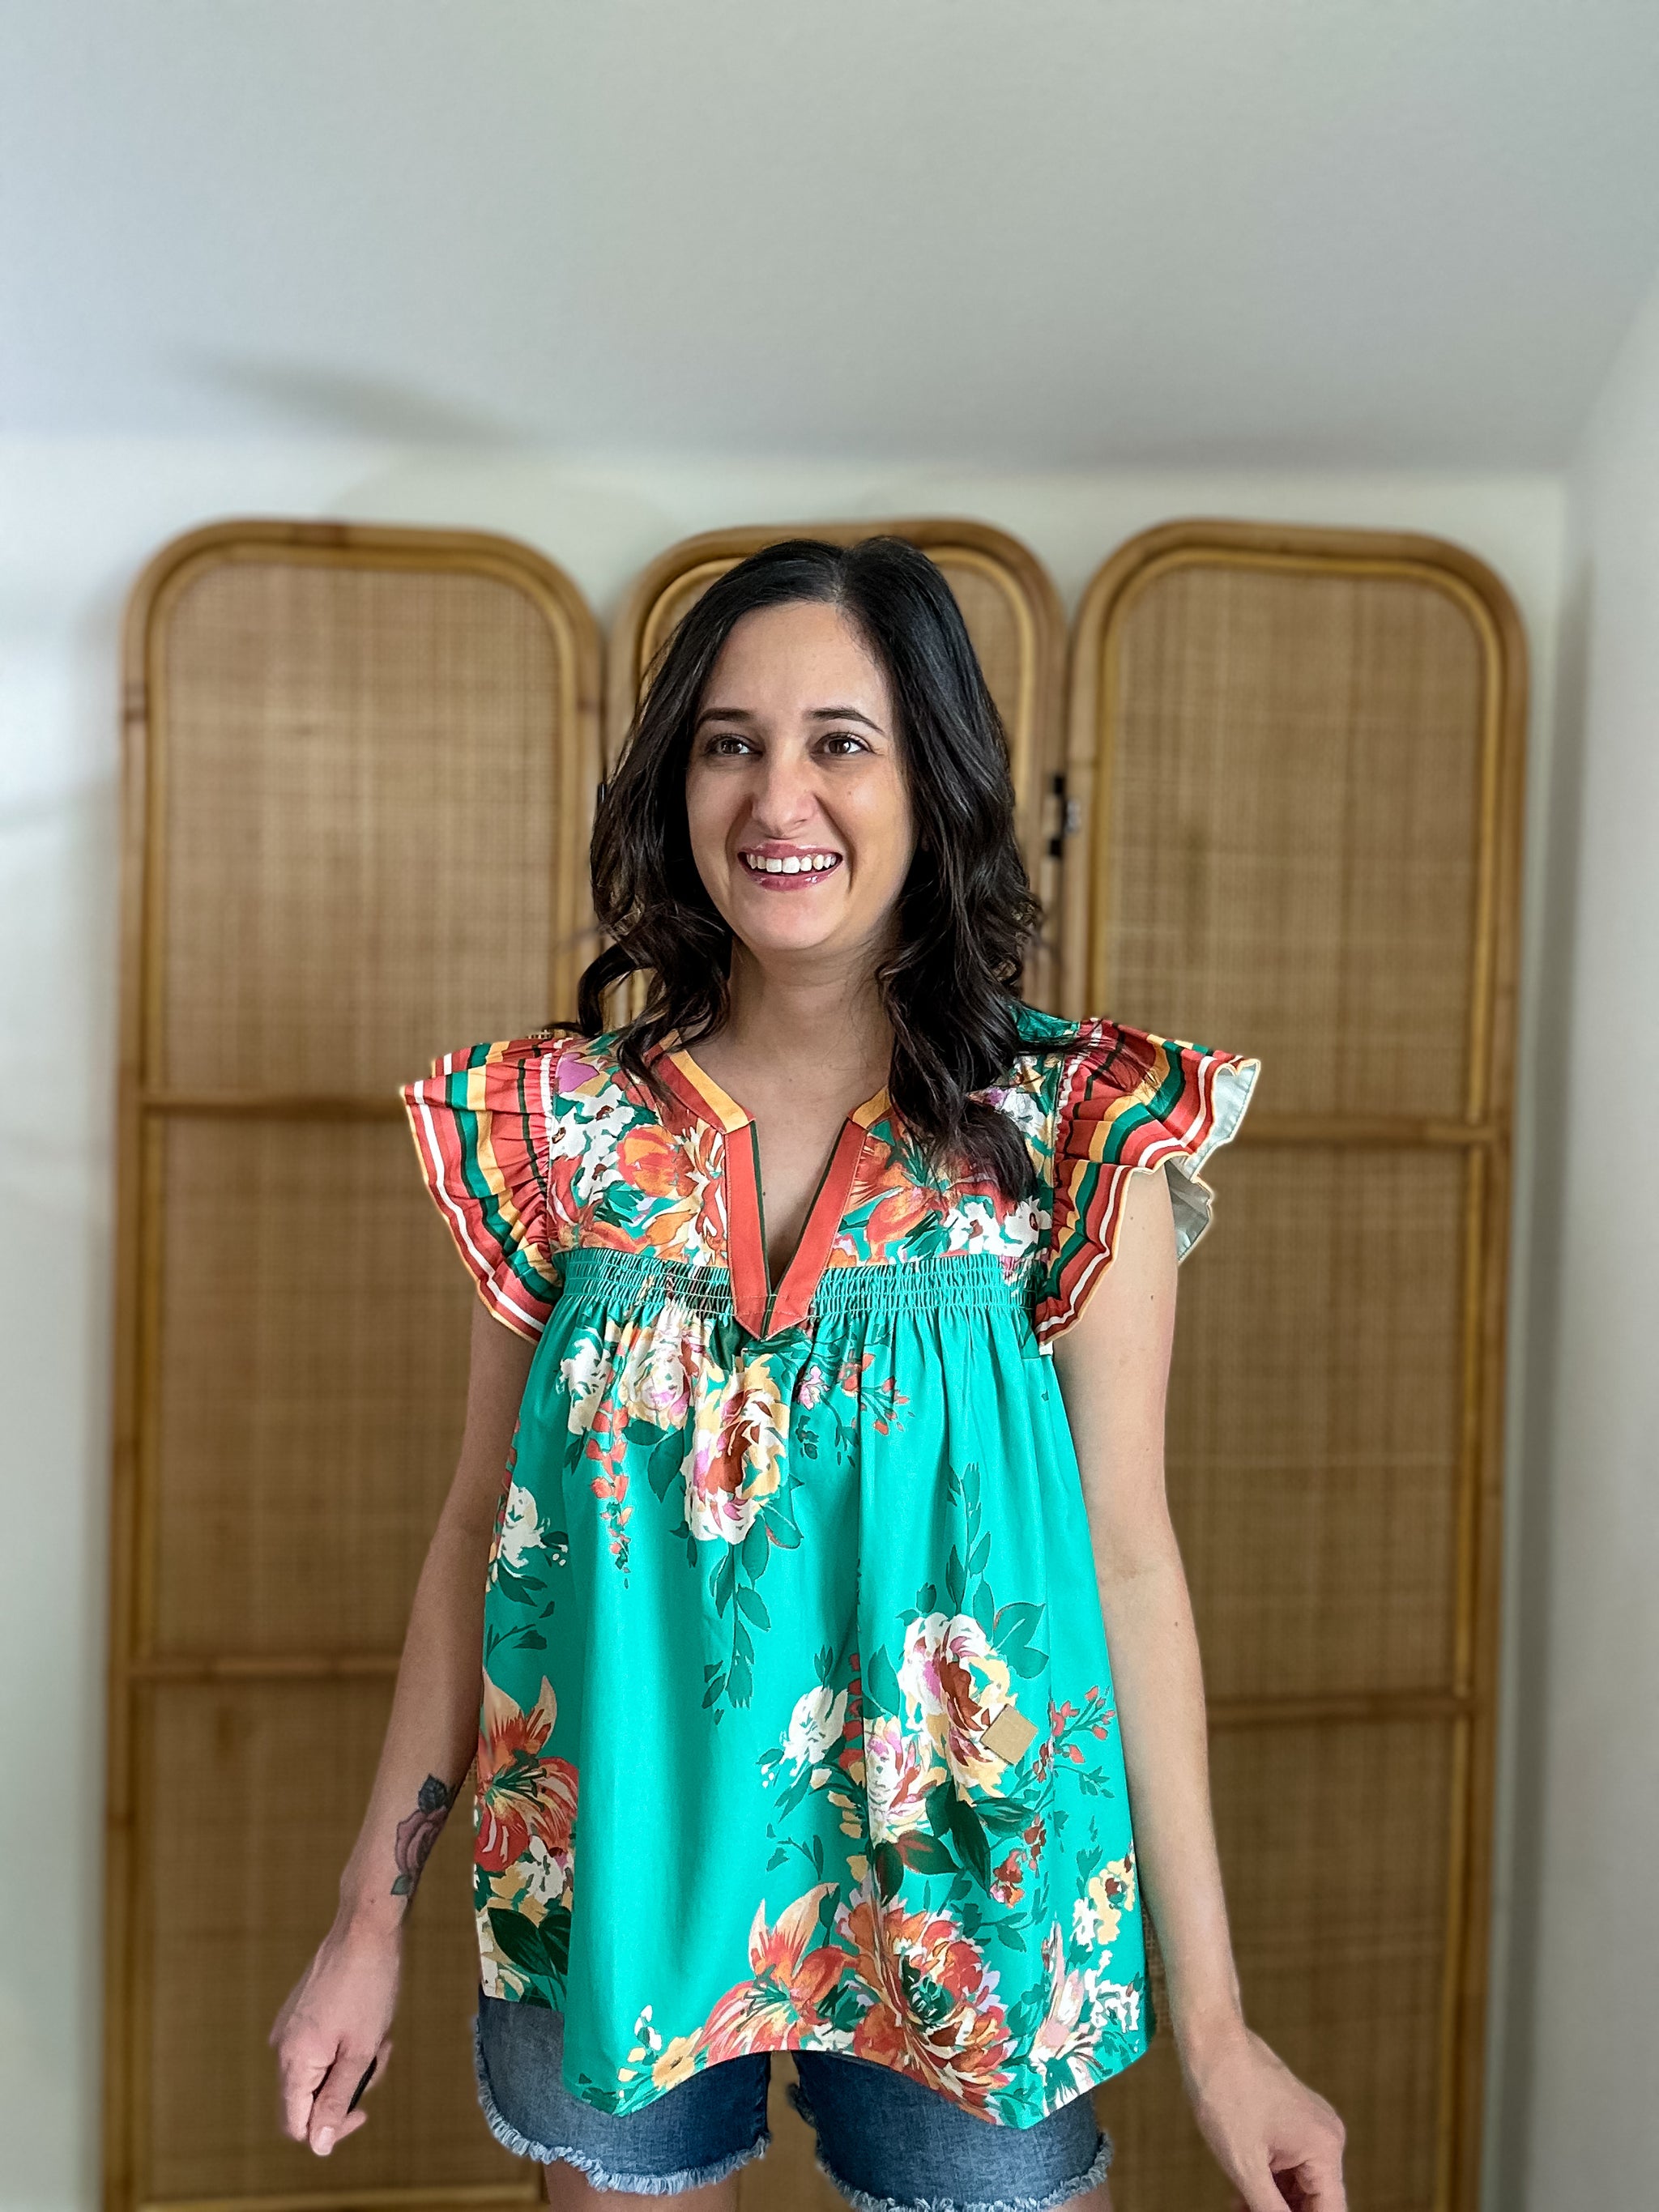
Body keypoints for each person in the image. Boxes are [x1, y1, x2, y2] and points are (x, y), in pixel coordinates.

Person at [271, 536, 1347, 2212]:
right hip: (611, 1878)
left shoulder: (1073, 1135)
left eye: (842, 740)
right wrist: (366, 1919)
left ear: (935, 782)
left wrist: (1215, 2026)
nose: (780, 797)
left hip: (979, 1899)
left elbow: (1127, 1561)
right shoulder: (561, 1130)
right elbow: (485, 1533)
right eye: (731, 742)